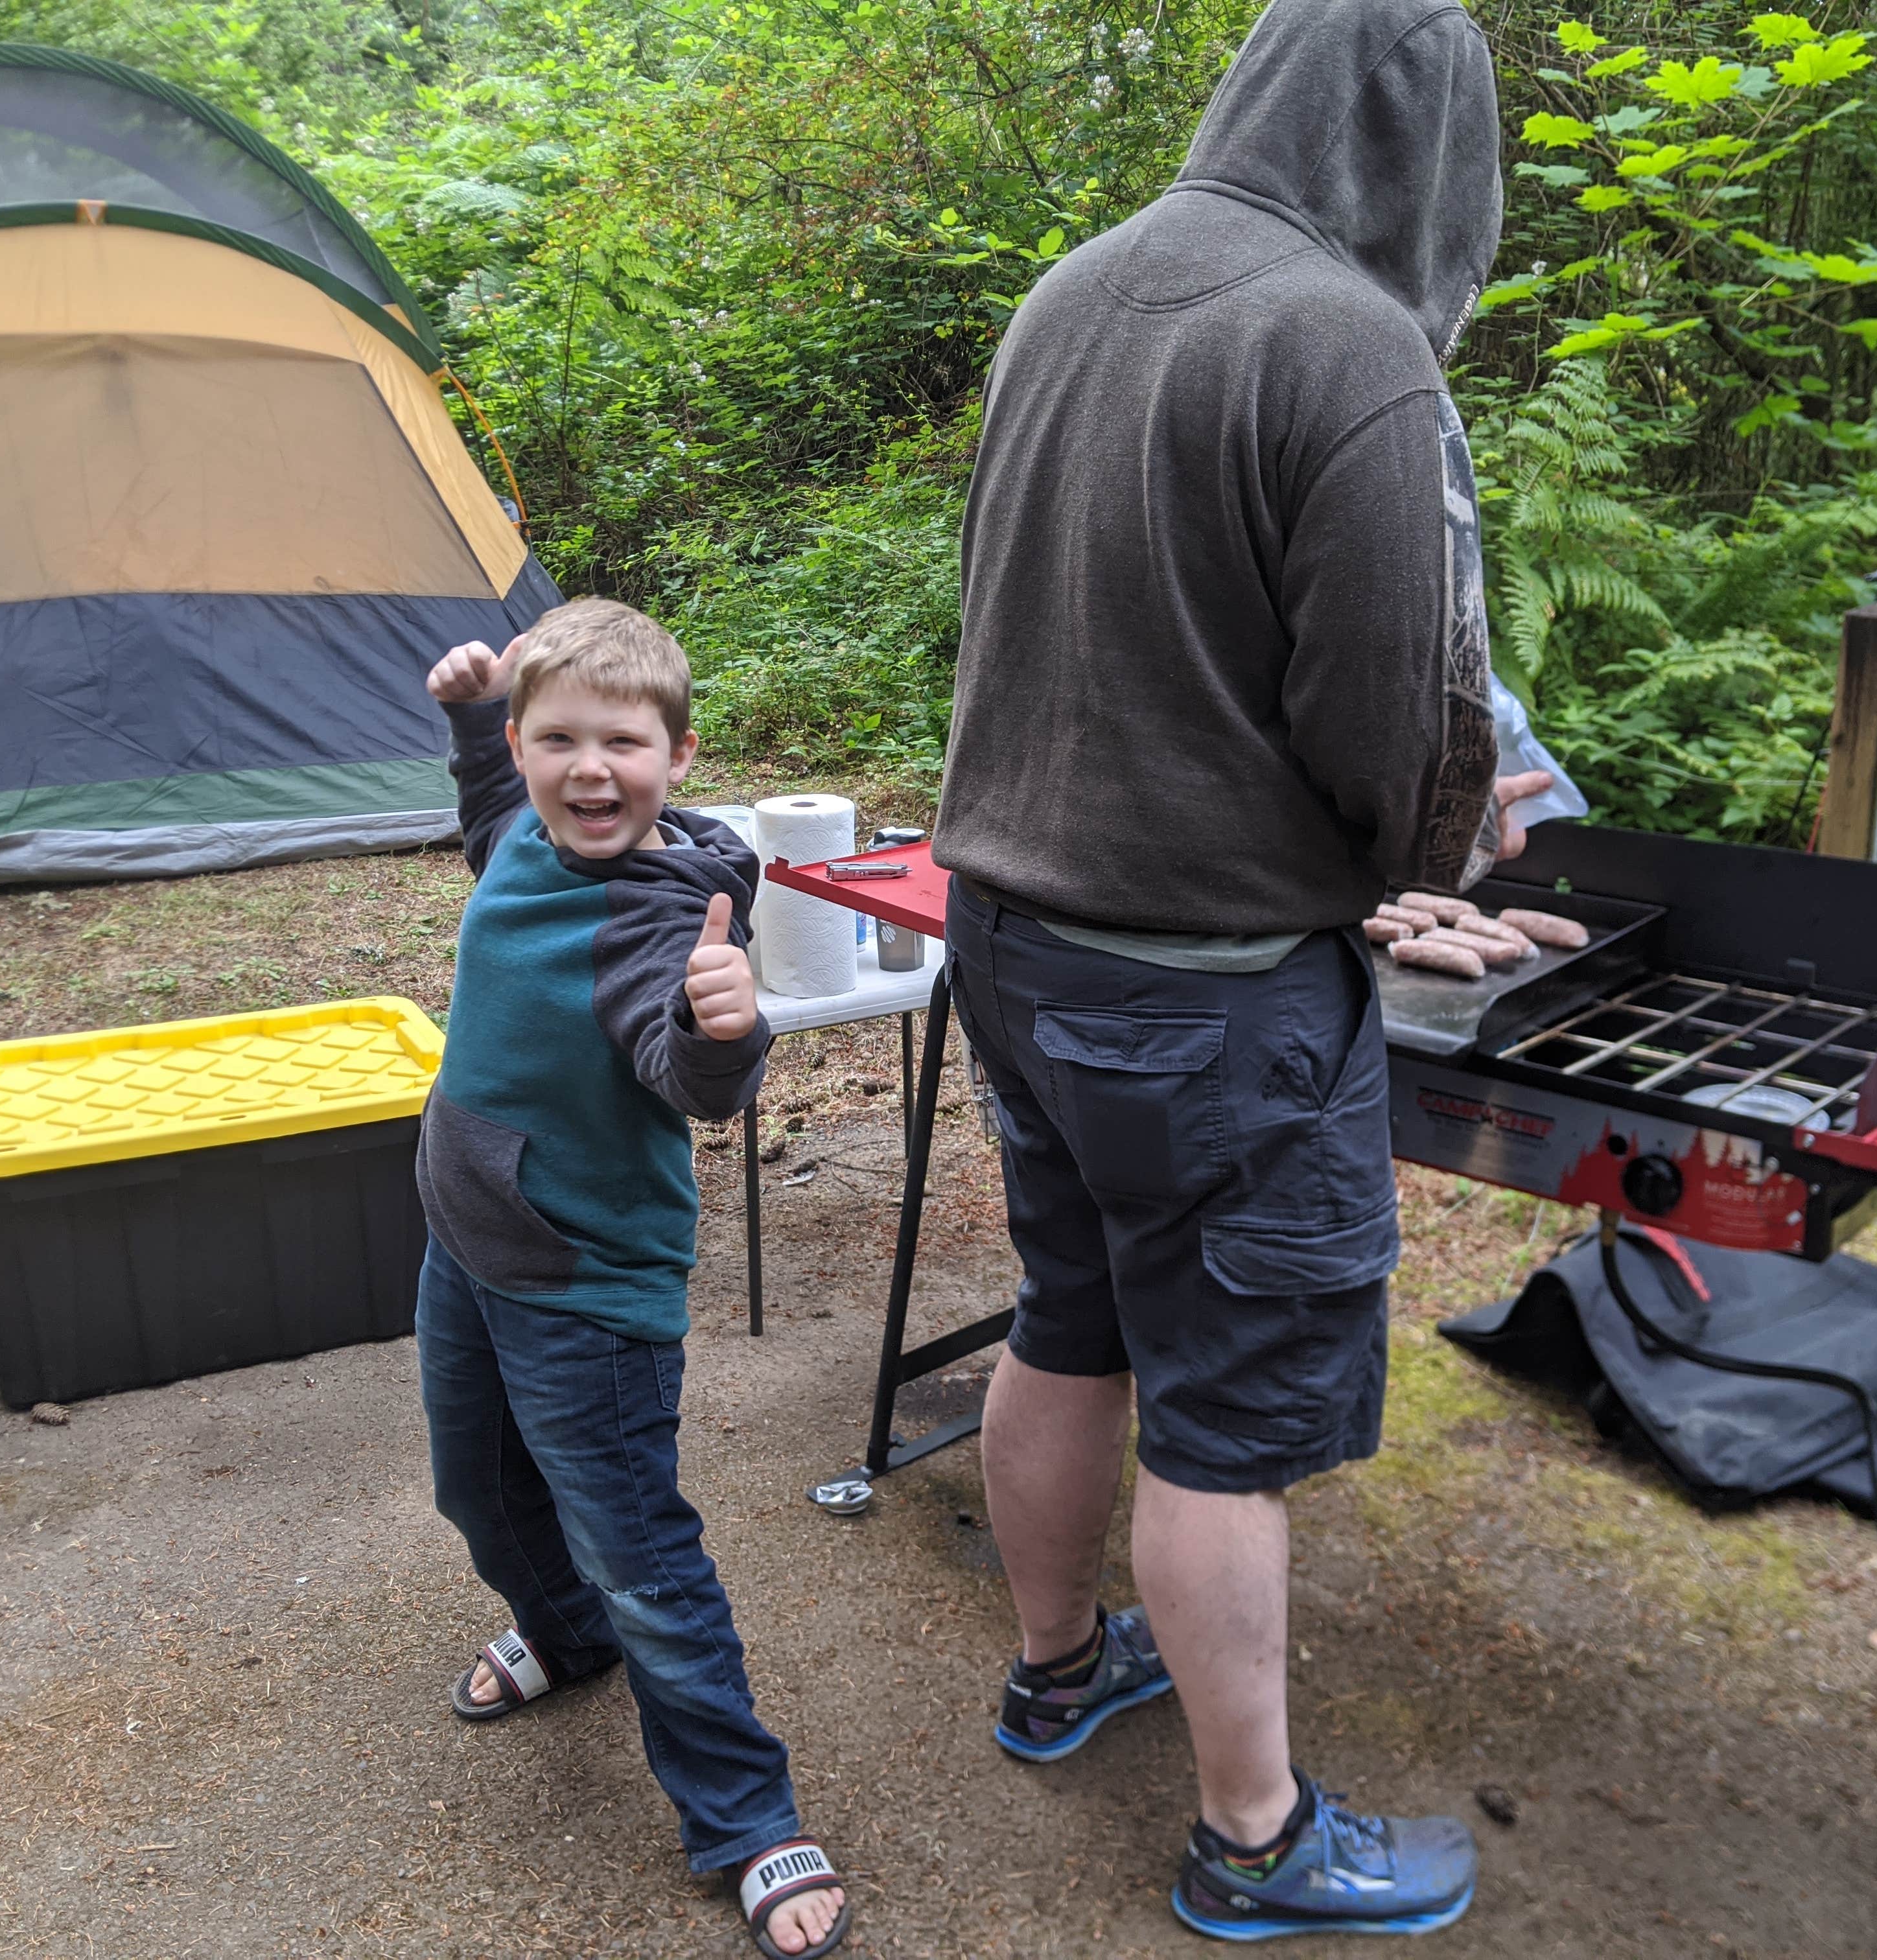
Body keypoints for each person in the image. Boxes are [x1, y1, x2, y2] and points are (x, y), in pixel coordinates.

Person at [932, 0, 1543, 1941]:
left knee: (1069, 1314)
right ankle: (1256, 1841)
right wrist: (1442, 851)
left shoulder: (1074, 287)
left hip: (1013, 940)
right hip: (1202, 998)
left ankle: (1056, 1667)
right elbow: (1394, 712)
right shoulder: (1350, 349)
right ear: (1431, 149)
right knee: (1228, 1426)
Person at [417, 599, 848, 1960]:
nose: (588, 769)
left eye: (623, 743)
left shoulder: (660, 918)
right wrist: (470, 723)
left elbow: (684, 1073)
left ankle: (746, 1813)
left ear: (679, 754)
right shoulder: (524, 837)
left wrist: (724, 1031)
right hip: (467, 1243)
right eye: (558, 740)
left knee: (642, 1557)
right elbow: (492, 810)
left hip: (586, 1291)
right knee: (473, 1487)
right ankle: (563, 1632)